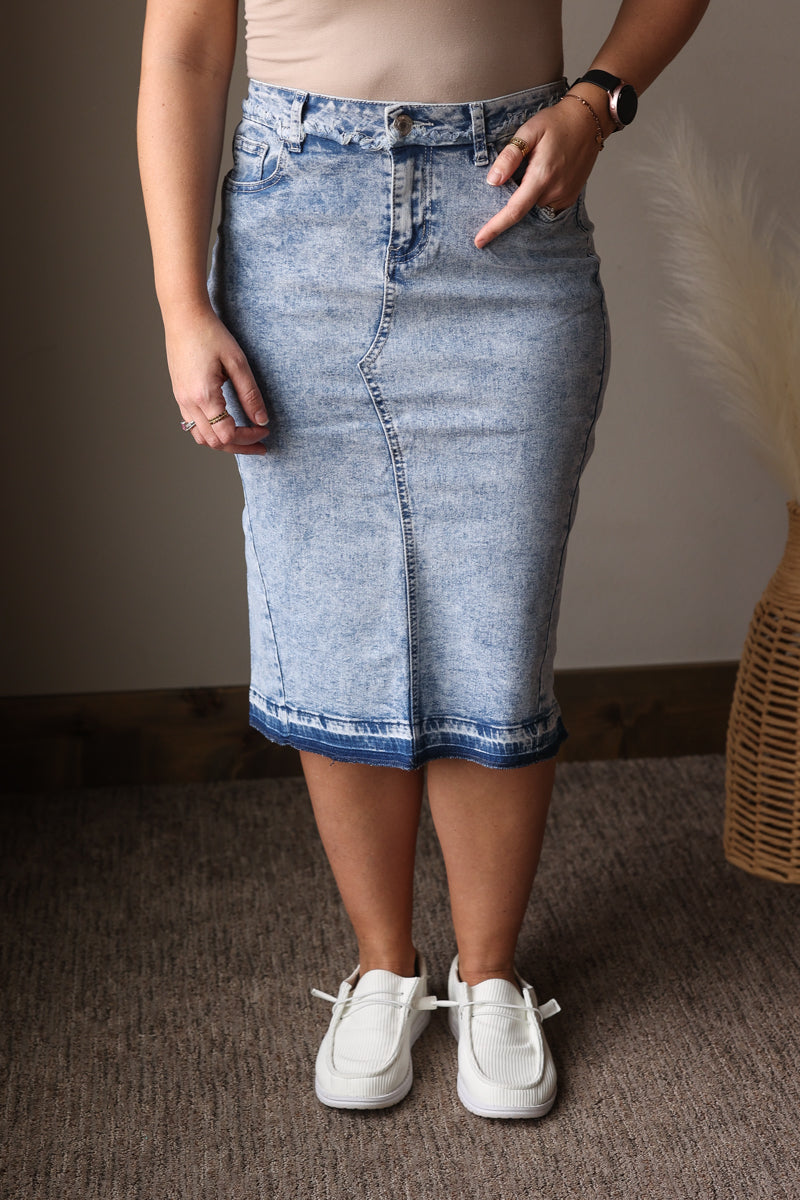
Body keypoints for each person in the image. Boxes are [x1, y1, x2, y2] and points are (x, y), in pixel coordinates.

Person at [138, 0, 709, 1118]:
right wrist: (178, 302)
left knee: (496, 624)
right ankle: (384, 968)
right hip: (298, 213)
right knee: (334, 613)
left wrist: (599, 97)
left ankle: (490, 976)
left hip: (506, 212)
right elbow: (185, 46)